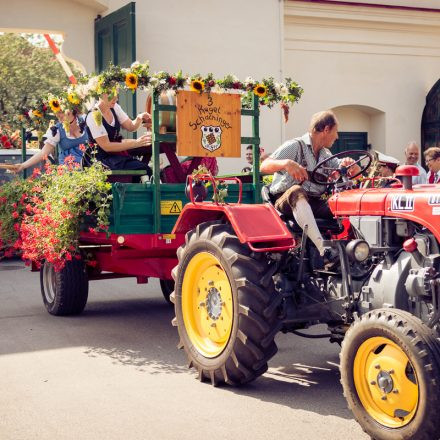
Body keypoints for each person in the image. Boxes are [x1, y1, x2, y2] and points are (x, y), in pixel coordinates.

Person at [260, 110, 360, 257]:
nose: (337, 137)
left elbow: (339, 165)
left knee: (343, 204)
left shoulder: (325, 154)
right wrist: (286, 163)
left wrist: (350, 164)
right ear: (326, 129)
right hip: (286, 200)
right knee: (297, 191)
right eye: (336, 131)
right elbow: (263, 166)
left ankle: (356, 251)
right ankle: (323, 248)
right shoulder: (295, 146)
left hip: (313, 202)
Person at [84, 93, 152, 170]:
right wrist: (136, 143)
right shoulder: (93, 114)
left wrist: (139, 118)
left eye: (116, 95)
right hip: (102, 159)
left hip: (115, 153)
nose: (116, 99)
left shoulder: (114, 107)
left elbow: (130, 126)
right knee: (143, 168)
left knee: (150, 147)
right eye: (111, 95)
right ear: (101, 94)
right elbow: (107, 146)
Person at [11, 109, 87, 173]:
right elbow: (43, 153)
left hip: (89, 166)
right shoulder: (56, 130)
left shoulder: (86, 121)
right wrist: (22, 165)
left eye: (61, 112)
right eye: (57, 113)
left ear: (72, 110)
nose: (58, 115)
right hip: (69, 170)